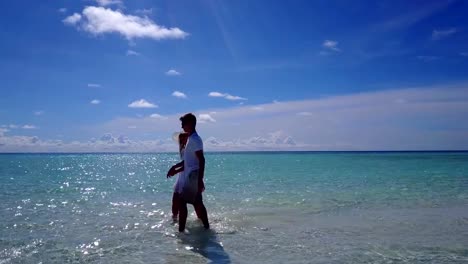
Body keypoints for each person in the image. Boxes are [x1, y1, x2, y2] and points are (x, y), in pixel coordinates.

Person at [167, 113, 209, 232]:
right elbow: (188, 162)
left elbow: (201, 159)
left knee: (182, 201)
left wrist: (200, 180)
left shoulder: (195, 140)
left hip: (193, 175)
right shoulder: (191, 139)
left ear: (190, 124)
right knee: (197, 203)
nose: (182, 127)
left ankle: (181, 232)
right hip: (191, 175)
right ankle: (206, 228)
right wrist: (174, 168)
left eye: (183, 124)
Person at [168, 132, 203, 221]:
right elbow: (185, 163)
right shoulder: (183, 148)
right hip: (182, 176)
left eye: (185, 137)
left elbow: (188, 164)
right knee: (175, 199)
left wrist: (175, 169)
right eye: (181, 138)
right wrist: (175, 169)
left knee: (196, 202)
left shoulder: (190, 148)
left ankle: (202, 220)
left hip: (189, 174)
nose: (183, 139)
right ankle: (174, 219)